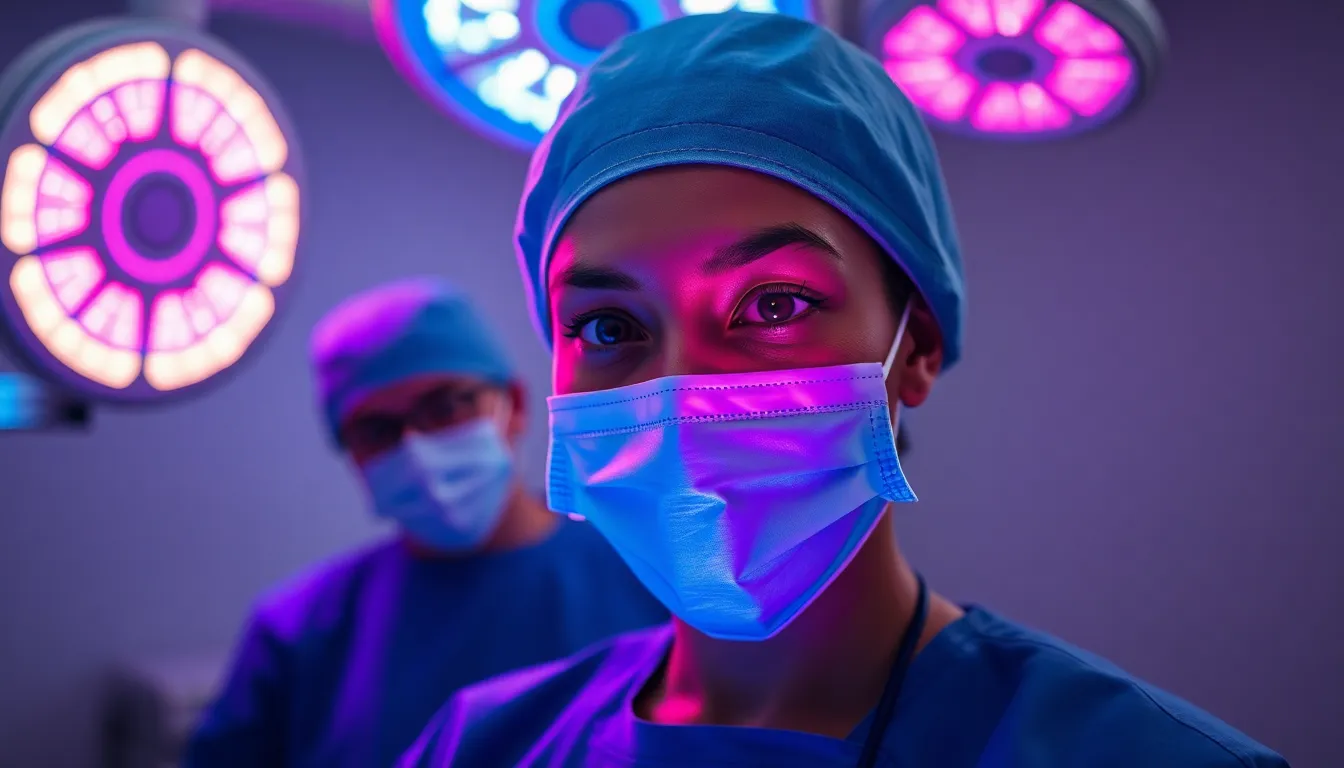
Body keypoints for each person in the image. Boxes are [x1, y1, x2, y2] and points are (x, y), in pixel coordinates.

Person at [397, 13, 1289, 768]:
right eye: (608, 328)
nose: (679, 391)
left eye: (774, 304)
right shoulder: (484, 741)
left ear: (918, 349)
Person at [183, 277, 668, 768]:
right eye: (378, 429)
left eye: (446, 405)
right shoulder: (296, 633)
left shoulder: (654, 573)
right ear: (352, 456)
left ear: (515, 406)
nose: (417, 447)